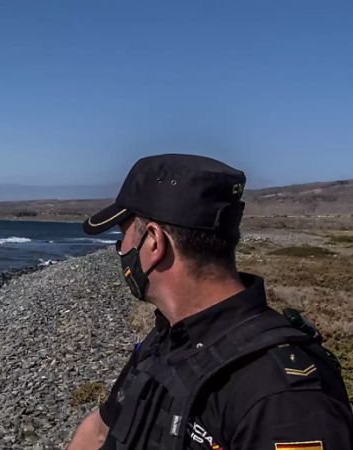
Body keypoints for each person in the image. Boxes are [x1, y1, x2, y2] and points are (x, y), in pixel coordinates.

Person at [67, 154, 352, 450]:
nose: (121, 250)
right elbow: (100, 431)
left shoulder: (283, 397)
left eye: (122, 236)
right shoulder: (167, 338)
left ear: (153, 242)